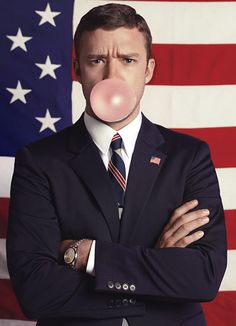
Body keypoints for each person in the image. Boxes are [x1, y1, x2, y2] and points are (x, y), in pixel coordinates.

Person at [7, 3, 227, 326]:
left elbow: (203, 276)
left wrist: (91, 255)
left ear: (148, 70)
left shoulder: (189, 157)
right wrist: (158, 267)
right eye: (97, 60)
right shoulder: (38, 162)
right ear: (77, 69)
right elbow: (35, 291)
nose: (112, 76)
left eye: (128, 60)